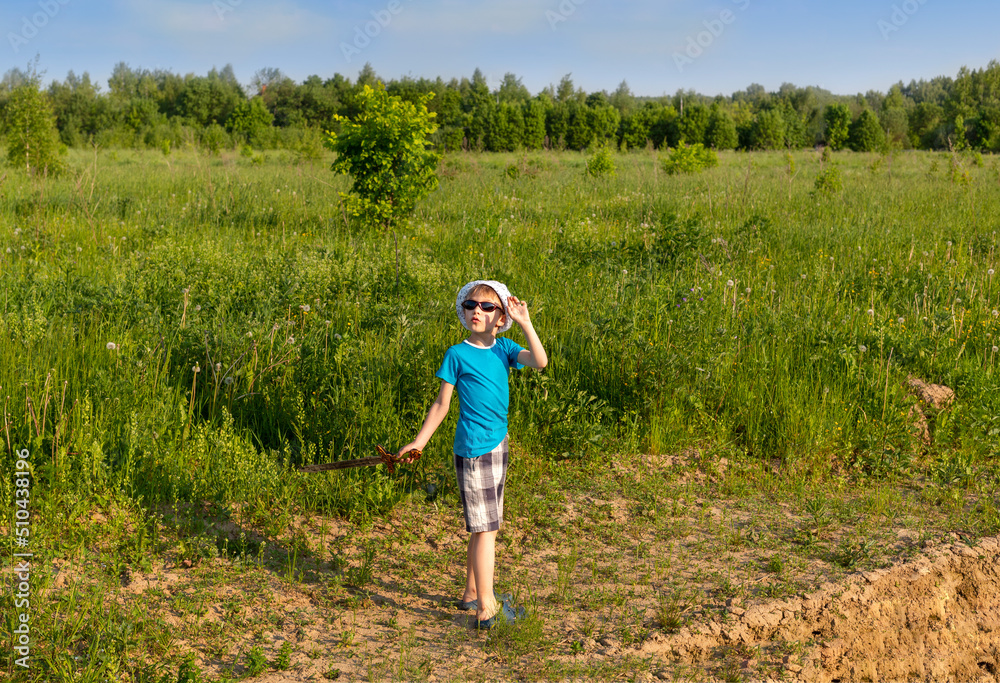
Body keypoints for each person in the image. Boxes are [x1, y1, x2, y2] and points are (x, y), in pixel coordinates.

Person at [397, 279, 547, 629]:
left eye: (487, 307)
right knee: (486, 530)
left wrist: (525, 322)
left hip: (498, 443)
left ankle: (471, 593)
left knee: (485, 528)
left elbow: (540, 361)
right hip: (474, 450)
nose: (476, 311)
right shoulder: (457, 354)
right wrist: (418, 442)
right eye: (470, 305)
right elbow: (441, 404)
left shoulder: (505, 348)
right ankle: (486, 608)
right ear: (463, 312)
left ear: (500, 317)